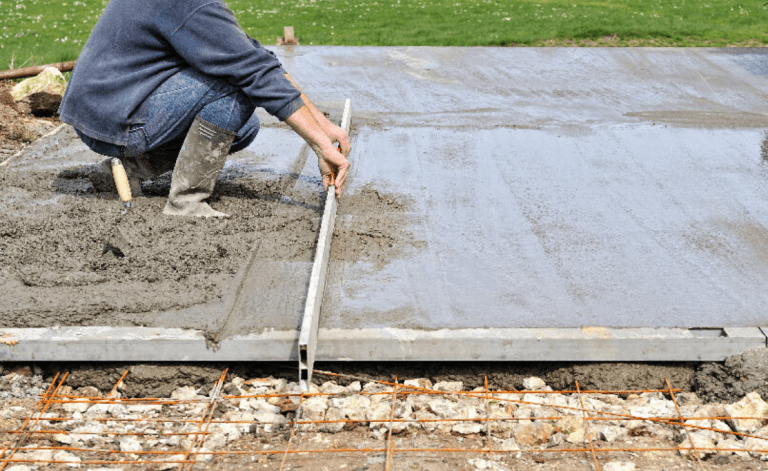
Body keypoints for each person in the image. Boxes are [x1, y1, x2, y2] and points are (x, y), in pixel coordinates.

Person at [58, 0, 350, 217]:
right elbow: (252, 72)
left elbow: (255, 55)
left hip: (104, 107)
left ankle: (129, 168)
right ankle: (186, 203)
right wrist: (320, 145)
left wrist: (322, 126)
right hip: (115, 119)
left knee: (244, 127)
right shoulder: (190, 4)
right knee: (236, 88)